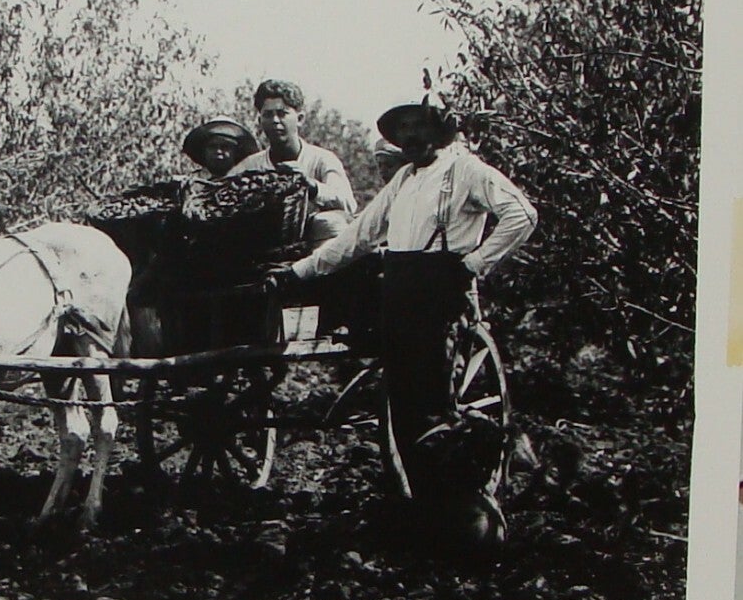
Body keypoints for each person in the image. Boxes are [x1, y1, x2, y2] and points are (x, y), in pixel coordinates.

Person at [271, 95, 537, 488]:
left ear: (439, 130)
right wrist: (300, 271)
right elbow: (359, 237)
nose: (410, 136)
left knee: (434, 402)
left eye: (418, 126)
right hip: (398, 289)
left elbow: (522, 214)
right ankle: (417, 494)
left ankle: (464, 489)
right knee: (403, 403)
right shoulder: (405, 178)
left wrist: (476, 263)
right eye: (403, 129)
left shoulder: (465, 170)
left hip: (439, 289)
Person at [229, 80, 358, 244]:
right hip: (265, 246)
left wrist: (311, 185)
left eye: (282, 113)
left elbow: (348, 203)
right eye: (268, 114)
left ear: (300, 119)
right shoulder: (250, 165)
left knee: (330, 222)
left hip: (315, 249)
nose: (275, 120)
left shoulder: (321, 159)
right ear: (260, 120)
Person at [181, 116, 259, 178]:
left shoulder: (246, 182)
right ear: (203, 151)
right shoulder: (190, 183)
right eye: (212, 147)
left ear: (236, 152)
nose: (218, 151)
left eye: (225, 147)